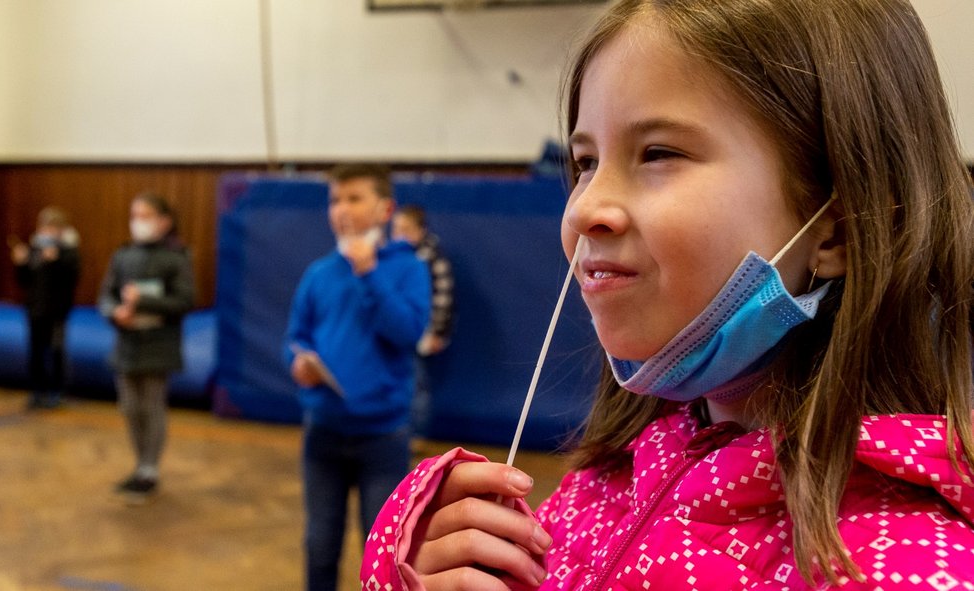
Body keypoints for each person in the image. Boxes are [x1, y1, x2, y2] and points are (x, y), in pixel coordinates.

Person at [361, 1, 974, 589]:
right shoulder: (606, 484)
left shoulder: (907, 568)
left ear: (835, 227)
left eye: (658, 153)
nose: (587, 209)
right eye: (584, 162)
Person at [284, 163, 430, 591]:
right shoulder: (319, 273)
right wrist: (298, 364)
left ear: (385, 208)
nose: (342, 209)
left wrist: (368, 273)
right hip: (322, 434)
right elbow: (295, 335)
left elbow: (406, 332)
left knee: (382, 550)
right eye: (334, 200)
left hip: (383, 437)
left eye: (354, 198)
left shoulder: (408, 269)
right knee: (319, 543)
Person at [98, 192, 194, 503]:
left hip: (158, 345)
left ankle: (149, 470)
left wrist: (144, 302)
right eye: (135, 215)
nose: (139, 222)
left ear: (164, 221)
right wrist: (115, 312)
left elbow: (185, 300)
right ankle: (139, 463)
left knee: (152, 407)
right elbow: (106, 296)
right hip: (127, 344)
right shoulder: (123, 256)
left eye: (146, 216)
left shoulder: (176, 258)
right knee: (129, 408)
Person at [391, 204, 455, 436]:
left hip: (423, 332)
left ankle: (414, 433)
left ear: (421, 231)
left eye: (406, 229)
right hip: (401, 331)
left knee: (418, 386)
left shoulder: (432, 258)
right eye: (396, 229)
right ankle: (398, 430)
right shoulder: (394, 257)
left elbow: (443, 296)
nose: (399, 235)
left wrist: (437, 331)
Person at [10, 206, 80, 409]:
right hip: (34, 310)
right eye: (46, 227)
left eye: (54, 227)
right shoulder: (35, 251)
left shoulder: (69, 253)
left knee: (56, 351)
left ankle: (59, 391)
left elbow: (71, 280)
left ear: (62, 230)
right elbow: (24, 281)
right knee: (35, 351)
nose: (49, 232)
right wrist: (21, 263)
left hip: (57, 311)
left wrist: (55, 262)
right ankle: (38, 391)